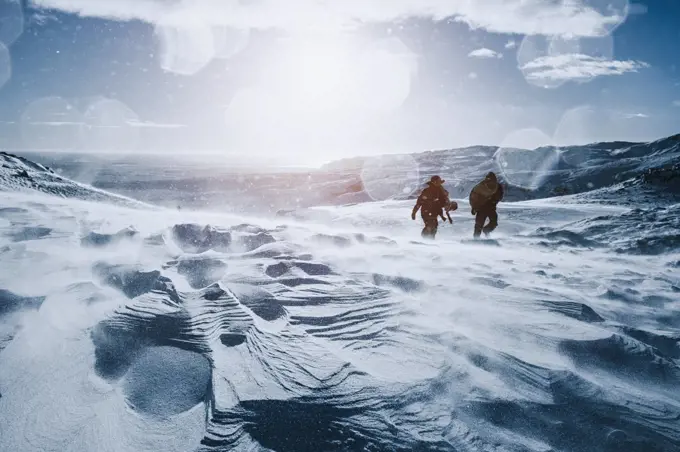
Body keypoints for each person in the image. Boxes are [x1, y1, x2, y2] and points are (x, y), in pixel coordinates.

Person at [469, 172, 504, 238]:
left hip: (491, 208)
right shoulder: (479, 187)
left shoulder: (498, 187)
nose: (490, 181)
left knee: (494, 223)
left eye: (492, 180)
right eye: (488, 179)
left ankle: (486, 230)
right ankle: (476, 238)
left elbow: (500, 195)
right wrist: (474, 207)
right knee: (479, 225)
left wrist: (494, 201)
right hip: (481, 208)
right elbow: (473, 198)